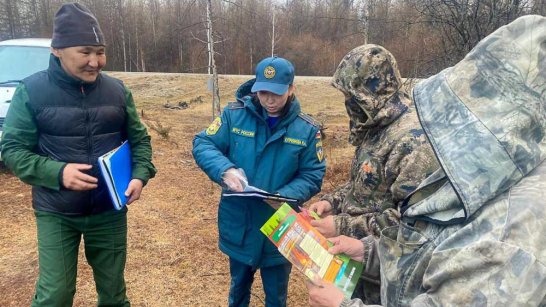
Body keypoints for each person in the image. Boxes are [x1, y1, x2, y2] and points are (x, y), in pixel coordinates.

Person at [306, 14, 546, 306]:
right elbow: (424, 232)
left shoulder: (512, 234)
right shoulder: (482, 173)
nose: (445, 125)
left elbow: (402, 216)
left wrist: (343, 303)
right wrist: (368, 250)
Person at [0, 3, 156, 306]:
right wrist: (57, 173)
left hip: (109, 211)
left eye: (100, 52)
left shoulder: (117, 91)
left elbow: (141, 141)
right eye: (85, 52)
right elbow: (12, 150)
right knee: (55, 295)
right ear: (58, 49)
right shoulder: (32, 91)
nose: (96, 62)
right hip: (57, 212)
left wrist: (140, 176)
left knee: (114, 295)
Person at [307, 44, 439, 303]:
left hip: (384, 278)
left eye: (352, 96)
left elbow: (412, 225)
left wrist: (342, 225)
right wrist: (331, 202)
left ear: (370, 92)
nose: (348, 104)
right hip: (355, 262)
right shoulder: (375, 126)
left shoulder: (413, 142)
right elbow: (363, 184)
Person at [192, 56, 326, 306]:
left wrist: (283, 196)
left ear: (291, 89)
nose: (270, 100)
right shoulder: (235, 116)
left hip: (280, 227)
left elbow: (312, 174)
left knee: (276, 296)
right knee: (238, 289)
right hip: (239, 224)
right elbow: (203, 143)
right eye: (263, 92)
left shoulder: (306, 130)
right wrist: (225, 170)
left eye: (276, 93)